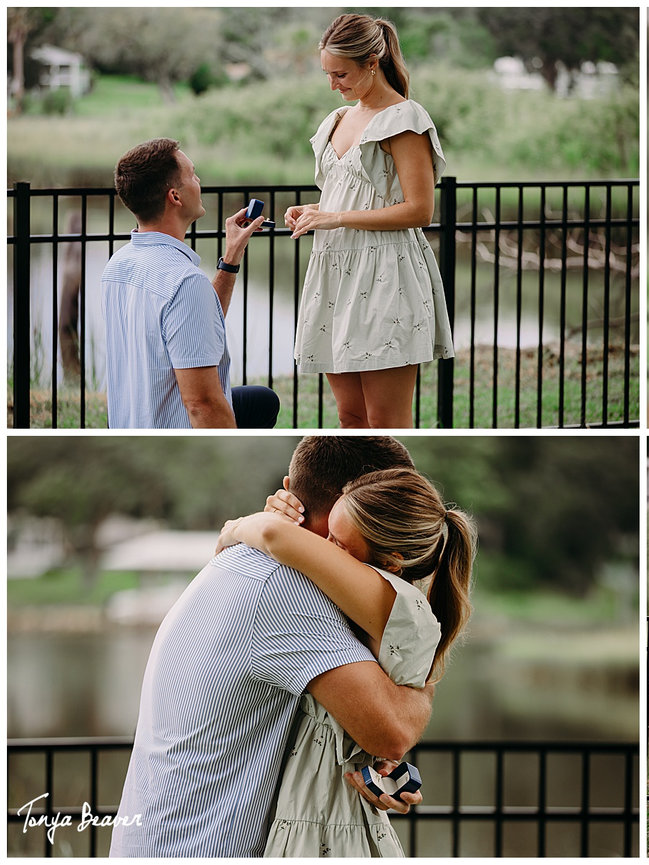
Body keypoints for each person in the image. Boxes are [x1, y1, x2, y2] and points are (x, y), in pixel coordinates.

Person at [109, 437, 431, 857]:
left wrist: (370, 765)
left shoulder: (245, 561)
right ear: (360, 508)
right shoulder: (286, 588)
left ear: (289, 487)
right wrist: (420, 689)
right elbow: (394, 729)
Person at [218, 467, 476, 856]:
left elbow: (273, 535)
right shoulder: (380, 603)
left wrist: (238, 527)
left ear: (391, 563)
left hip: (326, 821)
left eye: (337, 543)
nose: (322, 545)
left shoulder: (394, 602)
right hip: (318, 804)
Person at [288, 13, 454, 428]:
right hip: (334, 274)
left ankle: (388, 492)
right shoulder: (338, 120)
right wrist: (315, 212)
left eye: (341, 73)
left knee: (386, 423)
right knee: (350, 419)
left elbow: (420, 210)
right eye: (328, 74)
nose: (333, 84)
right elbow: (349, 194)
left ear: (372, 63)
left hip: (385, 275)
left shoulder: (404, 119)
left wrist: (336, 217)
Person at [103, 138, 280, 429]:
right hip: (174, 428)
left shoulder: (117, 265)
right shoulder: (184, 282)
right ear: (175, 196)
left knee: (261, 400)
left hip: (133, 422)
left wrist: (231, 256)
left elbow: (197, 327)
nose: (199, 181)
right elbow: (202, 405)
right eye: (193, 175)